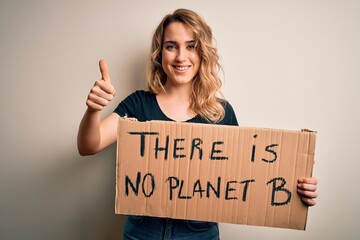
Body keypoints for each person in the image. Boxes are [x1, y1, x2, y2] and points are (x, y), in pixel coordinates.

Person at [77, 8, 318, 240]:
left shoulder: (221, 113)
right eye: (171, 47)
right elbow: (89, 146)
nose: (181, 56)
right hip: (143, 231)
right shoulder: (138, 104)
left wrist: (295, 187)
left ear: (203, 53)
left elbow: (248, 178)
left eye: (191, 46)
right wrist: (93, 109)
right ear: (160, 54)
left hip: (199, 233)